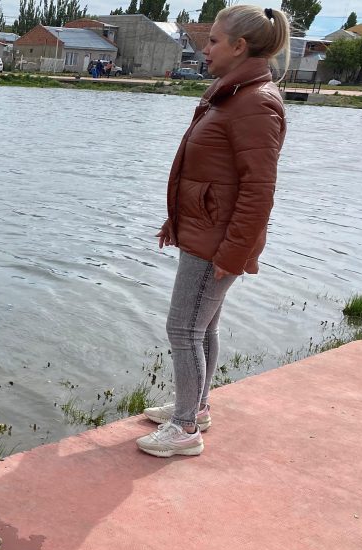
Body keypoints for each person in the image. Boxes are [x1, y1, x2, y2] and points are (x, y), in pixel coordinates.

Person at [137, 5, 289, 458]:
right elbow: (207, 173)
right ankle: (196, 407)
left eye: (213, 41)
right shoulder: (231, 94)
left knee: (182, 328)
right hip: (205, 231)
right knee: (202, 328)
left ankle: (185, 429)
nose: (204, 50)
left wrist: (231, 253)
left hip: (218, 242)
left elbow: (258, 190)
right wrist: (176, 220)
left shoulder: (255, 102)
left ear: (239, 47)